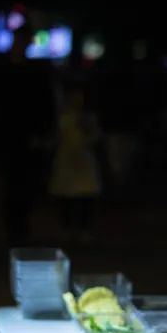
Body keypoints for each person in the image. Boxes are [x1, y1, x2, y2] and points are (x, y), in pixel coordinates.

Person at [48, 86, 102, 242]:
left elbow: (96, 137)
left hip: (84, 161)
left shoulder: (88, 118)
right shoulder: (62, 117)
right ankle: (67, 229)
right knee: (66, 196)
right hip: (67, 161)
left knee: (86, 196)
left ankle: (85, 229)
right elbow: (57, 137)